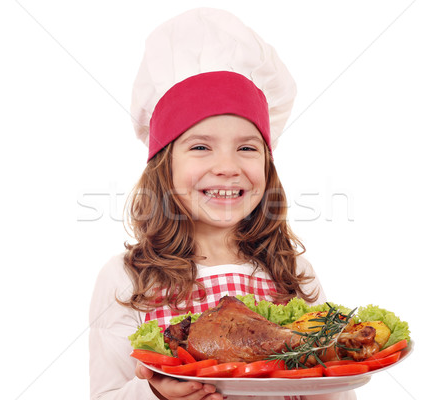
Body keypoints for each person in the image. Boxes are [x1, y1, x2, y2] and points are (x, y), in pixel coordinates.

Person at [89, 8, 356, 400]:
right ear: (164, 165)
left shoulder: (293, 273)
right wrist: (157, 395)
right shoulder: (127, 279)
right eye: (200, 146)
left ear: (267, 165)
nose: (228, 167)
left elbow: (335, 386)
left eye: (247, 148)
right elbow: (106, 394)